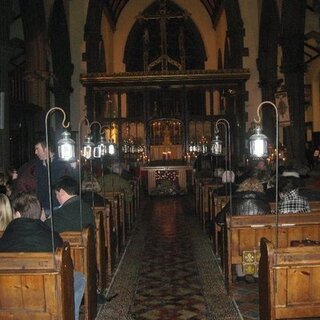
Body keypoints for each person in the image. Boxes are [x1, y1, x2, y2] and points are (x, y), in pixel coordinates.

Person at [0, 192, 85, 320]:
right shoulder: (52, 237)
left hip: (10, 300)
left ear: (17, 214)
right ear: (39, 214)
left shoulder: (4, 238)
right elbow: (67, 269)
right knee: (79, 278)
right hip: (46, 299)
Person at [215, 177, 271, 282]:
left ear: (242, 187)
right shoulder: (264, 203)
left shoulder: (234, 201)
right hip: (258, 241)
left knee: (237, 240)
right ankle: (256, 275)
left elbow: (220, 219)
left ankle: (240, 274)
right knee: (258, 239)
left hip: (238, 241)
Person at [34, 138, 77, 217]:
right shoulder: (37, 166)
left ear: (46, 149)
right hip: (43, 207)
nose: (35, 152)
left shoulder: (62, 164)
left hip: (57, 205)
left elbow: (71, 183)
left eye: (37, 149)